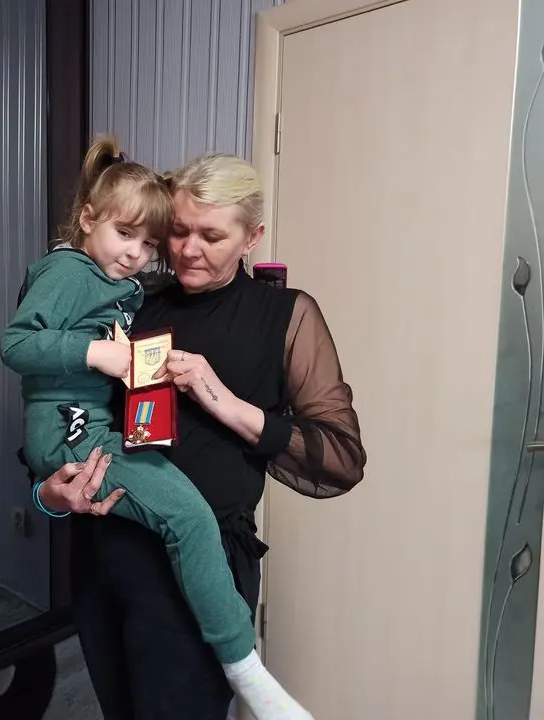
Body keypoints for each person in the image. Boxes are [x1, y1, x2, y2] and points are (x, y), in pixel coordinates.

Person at [35, 153, 367, 720]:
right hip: (106, 555)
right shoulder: (129, 299)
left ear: (252, 237)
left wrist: (224, 401)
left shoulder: (284, 316)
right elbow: (61, 409)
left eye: (212, 236)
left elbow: (340, 458)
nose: (188, 249)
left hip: (203, 571)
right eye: (178, 230)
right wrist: (48, 496)